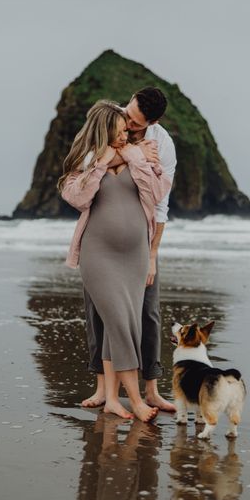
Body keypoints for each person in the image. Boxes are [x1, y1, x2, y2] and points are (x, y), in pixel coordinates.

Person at [59, 100, 172, 422]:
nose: (126, 136)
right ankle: (135, 399)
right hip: (99, 254)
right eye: (121, 131)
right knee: (121, 324)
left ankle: (111, 399)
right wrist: (104, 163)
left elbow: (157, 193)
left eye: (128, 131)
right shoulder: (87, 160)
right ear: (105, 130)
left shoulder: (139, 153)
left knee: (122, 325)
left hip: (134, 255)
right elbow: (78, 198)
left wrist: (129, 157)